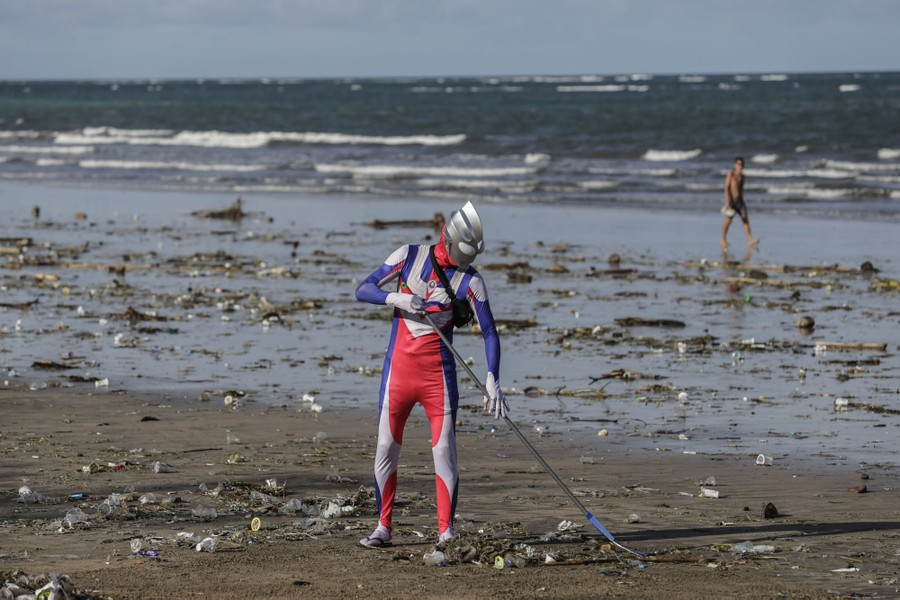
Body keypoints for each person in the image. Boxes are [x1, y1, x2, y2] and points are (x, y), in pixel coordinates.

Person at [354, 200, 507, 549]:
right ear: (447, 238)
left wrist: (492, 378)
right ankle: (383, 527)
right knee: (386, 446)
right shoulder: (407, 256)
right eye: (461, 254)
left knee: (444, 451)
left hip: (439, 379)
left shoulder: (471, 281)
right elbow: (363, 289)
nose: (464, 262)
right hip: (398, 374)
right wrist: (398, 299)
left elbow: (490, 332)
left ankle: (445, 531)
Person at [721, 156, 759, 250]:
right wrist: (726, 202)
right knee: (728, 221)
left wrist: (743, 202)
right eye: (738, 164)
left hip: (740, 202)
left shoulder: (742, 177)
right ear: (735, 165)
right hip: (731, 202)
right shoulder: (731, 175)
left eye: (741, 164)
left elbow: (741, 190)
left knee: (745, 220)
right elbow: (726, 189)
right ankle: (723, 239)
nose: (740, 166)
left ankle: (750, 240)